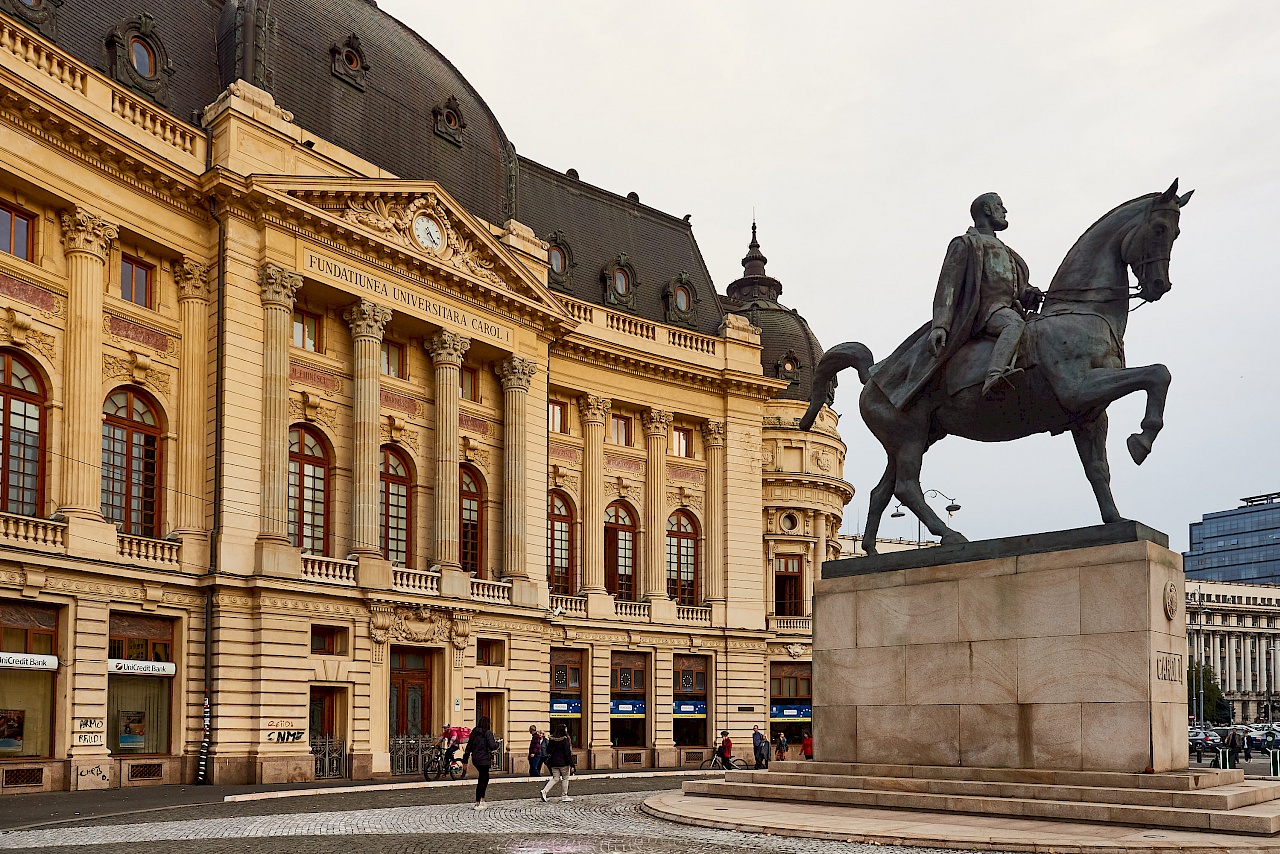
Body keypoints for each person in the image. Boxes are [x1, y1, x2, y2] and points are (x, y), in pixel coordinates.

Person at [925, 192, 1043, 398]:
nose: (1004, 210)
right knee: (1013, 324)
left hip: (1009, 308)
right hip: (986, 312)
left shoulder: (1008, 251)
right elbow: (947, 286)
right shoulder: (965, 243)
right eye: (1000, 205)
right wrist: (940, 325)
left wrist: (1028, 293)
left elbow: (1013, 286)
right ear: (987, 210)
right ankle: (995, 376)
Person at [462, 715, 499, 810]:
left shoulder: (474, 732)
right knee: (483, 779)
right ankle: (480, 800)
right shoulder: (487, 733)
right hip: (485, 759)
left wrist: (465, 760)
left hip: (475, 759)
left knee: (482, 778)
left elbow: (468, 747)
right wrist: (497, 743)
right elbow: (492, 746)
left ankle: (479, 800)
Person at [539, 722, 575, 802]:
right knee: (565, 778)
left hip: (553, 762)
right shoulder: (565, 740)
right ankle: (564, 796)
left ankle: (544, 791)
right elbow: (567, 753)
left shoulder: (552, 739)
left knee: (555, 778)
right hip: (564, 763)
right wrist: (572, 764)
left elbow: (548, 750)